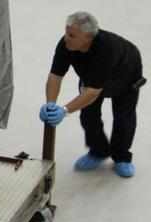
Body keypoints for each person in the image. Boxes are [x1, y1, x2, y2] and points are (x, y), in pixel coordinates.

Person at [39, 11, 143, 178]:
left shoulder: (107, 50)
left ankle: (122, 157)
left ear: (88, 37)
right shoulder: (66, 45)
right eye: (66, 32)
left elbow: (93, 92)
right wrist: (50, 103)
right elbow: (55, 75)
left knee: (124, 118)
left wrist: (64, 111)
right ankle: (98, 150)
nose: (66, 37)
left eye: (72, 35)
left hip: (125, 76)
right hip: (91, 77)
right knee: (88, 115)